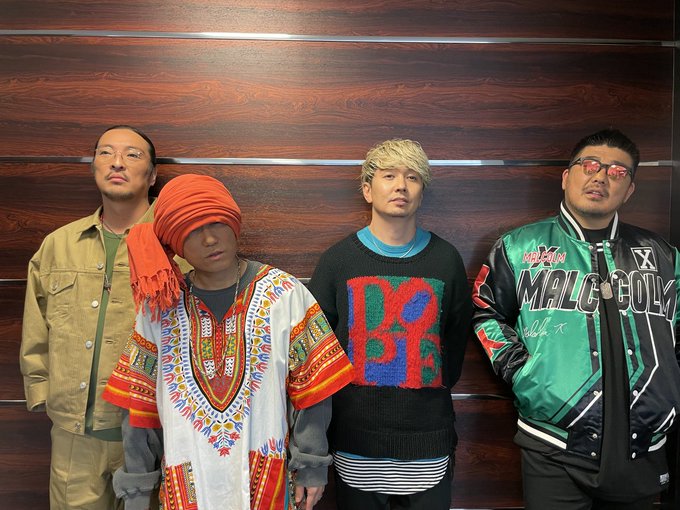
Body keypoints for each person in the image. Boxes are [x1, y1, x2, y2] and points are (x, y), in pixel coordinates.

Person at [102, 173, 354, 510]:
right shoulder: (159, 310)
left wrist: (312, 464)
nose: (209, 239)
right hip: (186, 486)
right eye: (191, 231)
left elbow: (314, 390)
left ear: (233, 223)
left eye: (216, 223)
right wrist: (137, 486)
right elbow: (139, 405)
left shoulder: (285, 294)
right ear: (175, 243)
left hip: (266, 483)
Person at [471, 128, 680, 509]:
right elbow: (486, 312)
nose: (600, 177)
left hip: (644, 444)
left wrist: (668, 389)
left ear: (629, 190)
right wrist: (523, 372)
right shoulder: (519, 247)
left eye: (617, 171)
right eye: (590, 165)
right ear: (567, 177)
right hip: (553, 442)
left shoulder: (663, 256)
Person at [308, 139, 472, 510]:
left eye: (412, 177)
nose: (401, 185)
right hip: (356, 446)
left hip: (428, 448)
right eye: (389, 176)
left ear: (422, 192)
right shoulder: (338, 261)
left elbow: (454, 341)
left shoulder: (445, 260)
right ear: (368, 189)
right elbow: (317, 354)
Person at [19, 125, 161, 509]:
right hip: (73, 439)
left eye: (132, 154)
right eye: (105, 152)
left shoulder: (173, 246)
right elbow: (36, 327)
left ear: (152, 175)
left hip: (152, 437)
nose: (117, 162)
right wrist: (42, 393)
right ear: (93, 167)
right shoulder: (58, 244)